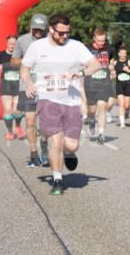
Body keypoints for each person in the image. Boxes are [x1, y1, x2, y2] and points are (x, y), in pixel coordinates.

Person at [20, 13, 102, 195]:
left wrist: (80, 73)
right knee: (55, 141)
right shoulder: (37, 47)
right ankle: (57, 179)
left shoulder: (76, 46)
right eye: (61, 33)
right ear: (51, 29)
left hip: (71, 101)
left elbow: (96, 65)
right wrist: (28, 82)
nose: (64, 36)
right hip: (47, 100)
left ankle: (68, 153)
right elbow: (25, 68)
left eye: (67, 32)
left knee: (71, 145)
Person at [11, 13, 50, 167]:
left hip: (47, 86)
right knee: (30, 120)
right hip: (27, 86)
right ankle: (34, 153)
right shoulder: (22, 40)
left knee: (46, 122)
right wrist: (28, 60)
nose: (38, 32)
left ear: (46, 29)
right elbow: (14, 61)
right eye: (36, 29)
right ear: (30, 27)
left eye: (41, 29)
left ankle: (45, 149)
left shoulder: (51, 41)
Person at [84, 28, 116, 144]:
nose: (102, 43)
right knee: (92, 109)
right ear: (94, 38)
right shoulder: (87, 49)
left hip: (104, 82)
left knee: (102, 106)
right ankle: (91, 119)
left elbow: (111, 62)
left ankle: (101, 133)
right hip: (90, 83)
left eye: (103, 40)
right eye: (99, 41)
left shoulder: (109, 49)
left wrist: (112, 69)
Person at [0, 35, 21, 140]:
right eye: (10, 43)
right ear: (6, 43)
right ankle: (10, 131)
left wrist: (5, 66)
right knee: (8, 109)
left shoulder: (20, 55)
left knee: (17, 110)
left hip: (18, 85)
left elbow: (25, 66)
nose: (12, 46)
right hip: (6, 85)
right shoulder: (1, 55)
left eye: (14, 44)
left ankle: (18, 126)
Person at [112, 47, 130, 128]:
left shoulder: (129, 62)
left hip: (128, 84)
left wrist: (129, 71)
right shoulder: (115, 63)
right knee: (121, 103)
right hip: (119, 85)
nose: (123, 55)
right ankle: (122, 123)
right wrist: (113, 74)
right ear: (119, 54)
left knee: (127, 105)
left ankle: (127, 112)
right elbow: (111, 72)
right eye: (122, 53)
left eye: (124, 53)